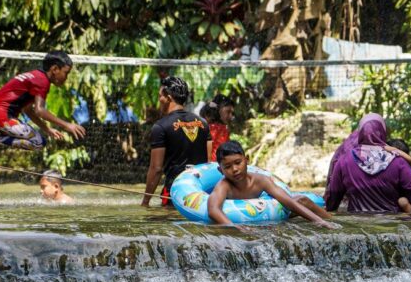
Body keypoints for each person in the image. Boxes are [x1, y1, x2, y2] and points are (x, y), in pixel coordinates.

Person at [0, 51, 86, 163]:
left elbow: (28, 110)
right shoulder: (42, 81)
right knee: (39, 143)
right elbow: (40, 110)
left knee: (36, 140)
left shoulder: (35, 75)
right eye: (66, 73)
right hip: (2, 116)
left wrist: (47, 129)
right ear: (54, 69)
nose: (66, 77)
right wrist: (67, 125)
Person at [209, 141, 335, 227]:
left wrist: (318, 221)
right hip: (239, 218)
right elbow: (213, 210)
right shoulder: (224, 186)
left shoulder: (260, 180)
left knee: (302, 200)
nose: (235, 169)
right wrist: (233, 227)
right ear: (221, 170)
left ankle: (330, 220)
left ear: (246, 160)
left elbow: (287, 201)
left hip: (266, 214)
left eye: (238, 162)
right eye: (228, 166)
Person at [324, 115, 411, 214]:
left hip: (356, 222)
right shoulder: (398, 161)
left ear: (360, 132)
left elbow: (334, 194)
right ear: (383, 131)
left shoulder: (344, 160)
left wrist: (330, 209)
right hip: (391, 222)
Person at [141, 76, 211, 208]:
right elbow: (207, 163)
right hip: (200, 192)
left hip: (175, 192)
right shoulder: (203, 123)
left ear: (168, 97)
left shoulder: (160, 127)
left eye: (160, 96)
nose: (159, 100)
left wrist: (145, 201)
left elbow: (156, 169)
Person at [201, 94, 235, 163]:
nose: (231, 117)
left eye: (232, 113)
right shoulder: (221, 130)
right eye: (228, 112)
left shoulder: (200, 127)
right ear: (218, 110)